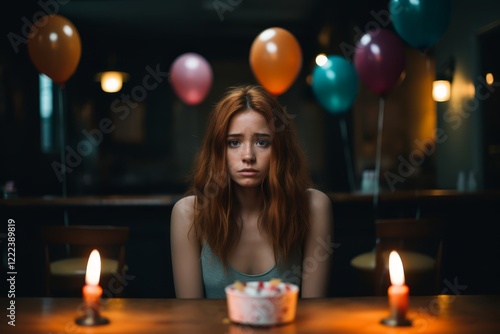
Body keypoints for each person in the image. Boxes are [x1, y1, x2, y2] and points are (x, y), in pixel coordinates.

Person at [170, 84, 333, 298]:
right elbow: (189, 322)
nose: (248, 155)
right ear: (218, 150)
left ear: (280, 150)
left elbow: (315, 318)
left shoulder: (314, 207)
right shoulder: (188, 214)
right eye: (234, 142)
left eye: (262, 142)